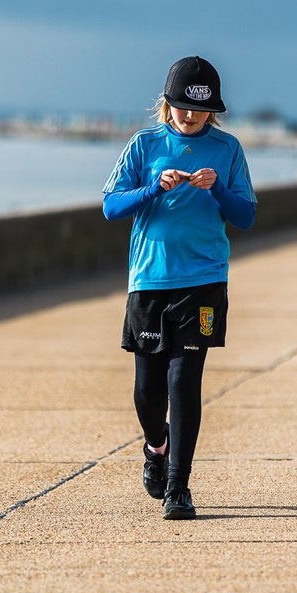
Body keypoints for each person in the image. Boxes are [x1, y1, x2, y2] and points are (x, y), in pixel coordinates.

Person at [102, 56, 256, 520]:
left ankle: (178, 487)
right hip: (150, 280)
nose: (188, 116)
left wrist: (217, 191)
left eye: (198, 109)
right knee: (147, 391)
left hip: (204, 279)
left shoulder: (227, 151)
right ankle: (156, 445)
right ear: (166, 105)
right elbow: (111, 207)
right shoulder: (144, 145)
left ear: (213, 111)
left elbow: (246, 216)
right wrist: (152, 188)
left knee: (184, 381)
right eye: (180, 107)